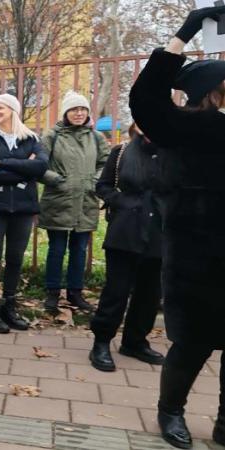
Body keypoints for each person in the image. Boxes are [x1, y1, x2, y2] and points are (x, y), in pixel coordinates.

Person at [129, 6, 225, 448]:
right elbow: (146, 97)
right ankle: (171, 412)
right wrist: (185, 32)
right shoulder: (182, 126)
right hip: (196, 259)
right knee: (192, 344)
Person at [89, 124, 164, 372]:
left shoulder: (174, 153)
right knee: (116, 291)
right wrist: (120, 202)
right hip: (125, 231)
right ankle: (101, 342)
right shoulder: (121, 152)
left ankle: (134, 342)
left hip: (159, 232)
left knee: (150, 293)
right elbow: (103, 186)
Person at [0, 94, 49, 333]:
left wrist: (4, 163)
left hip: (23, 208)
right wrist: (23, 167)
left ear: (12, 110)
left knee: (16, 258)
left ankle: (10, 306)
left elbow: (40, 167)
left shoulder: (31, 139)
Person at [38, 91, 109, 314]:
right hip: (58, 200)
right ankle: (52, 292)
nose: (78, 113)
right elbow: (39, 165)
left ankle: (75, 292)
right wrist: (55, 179)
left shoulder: (96, 137)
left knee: (79, 250)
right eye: (74, 109)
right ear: (65, 113)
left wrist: (95, 181)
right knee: (56, 249)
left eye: (82, 110)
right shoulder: (52, 136)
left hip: (86, 200)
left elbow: (106, 163)